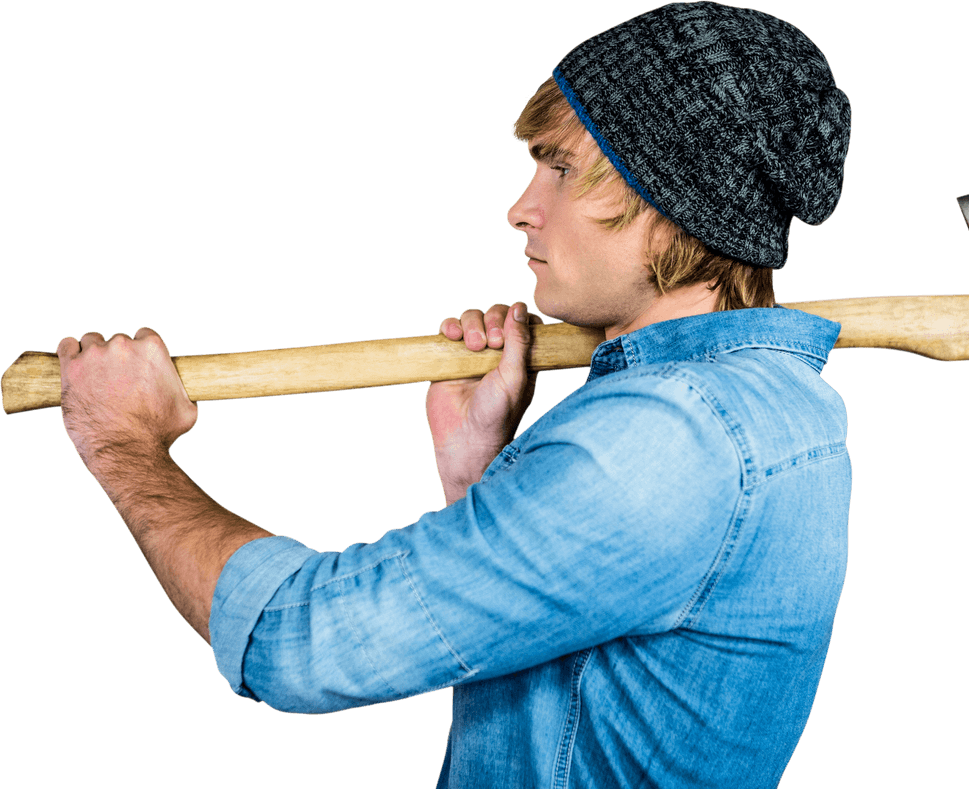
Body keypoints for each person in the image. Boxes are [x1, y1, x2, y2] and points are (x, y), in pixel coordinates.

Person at [55, 3, 852, 786]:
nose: (522, 208)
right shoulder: (782, 406)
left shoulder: (660, 442)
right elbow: (580, 634)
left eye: (564, 168)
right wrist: (484, 474)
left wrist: (123, 442)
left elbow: (301, 644)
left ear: (672, 208)